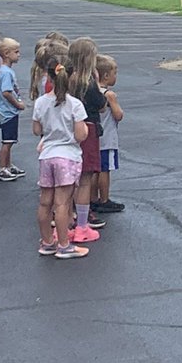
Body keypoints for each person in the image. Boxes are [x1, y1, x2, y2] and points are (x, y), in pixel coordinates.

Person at [32, 59, 90, 260]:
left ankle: (47, 241)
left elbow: (37, 130)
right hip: (67, 156)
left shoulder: (40, 103)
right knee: (62, 203)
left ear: (48, 76)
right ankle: (64, 245)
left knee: (45, 202)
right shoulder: (75, 104)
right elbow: (81, 135)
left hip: (47, 155)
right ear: (71, 76)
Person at [66, 37, 105, 242]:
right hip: (88, 129)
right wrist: (98, 84)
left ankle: (69, 218)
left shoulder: (67, 79)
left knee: (71, 177)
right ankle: (82, 223)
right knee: (85, 178)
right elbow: (101, 104)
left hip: (70, 130)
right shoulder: (88, 83)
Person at [0, 38, 26, 180]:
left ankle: (8, 165)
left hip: (9, 111)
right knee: (7, 141)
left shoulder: (6, 71)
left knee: (10, 141)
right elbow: (6, 92)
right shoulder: (6, 73)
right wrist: (17, 104)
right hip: (8, 111)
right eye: (16, 52)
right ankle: (1, 168)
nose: (19, 55)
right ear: (6, 53)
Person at [93, 54, 124, 214]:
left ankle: (92, 198)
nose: (115, 76)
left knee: (93, 170)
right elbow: (118, 115)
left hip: (94, 138)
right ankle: (104, 199)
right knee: (105, 169)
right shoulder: (108, 95)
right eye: (114, 73)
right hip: (107, 138)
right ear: (105, 75)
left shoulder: (91, 91)